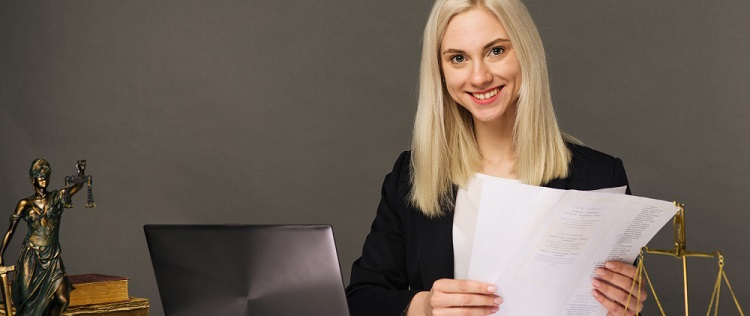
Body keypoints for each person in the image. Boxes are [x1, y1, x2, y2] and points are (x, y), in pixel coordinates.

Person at [346, 0, 646, 315]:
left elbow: (615, 304)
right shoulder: (411, 175)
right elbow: (361, 299)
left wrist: (625, 307)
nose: (479, 78)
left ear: (526, 52)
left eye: (496, 51)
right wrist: (423, 306)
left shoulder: (600, 177)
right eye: (458, 58)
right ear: (440, 71)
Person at [0, 159, 86, 316]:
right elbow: (10, 230)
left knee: (62, 299)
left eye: (46, 175)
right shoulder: (24, 203)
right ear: (32, 180)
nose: (44, 178)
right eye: (40, 176)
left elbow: (78, 186)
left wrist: (81, 172)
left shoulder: (57, 197)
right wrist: (0, 254)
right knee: (29, 305)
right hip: (31, 257)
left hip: (52, 257)